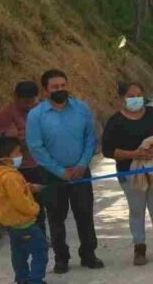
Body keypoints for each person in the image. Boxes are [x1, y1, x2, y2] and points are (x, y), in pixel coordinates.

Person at [27, 69, 102, 274]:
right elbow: (36, 147)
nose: (60, 89)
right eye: (55, 87)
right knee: (56, 218)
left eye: (63, 85)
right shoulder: (36, 115)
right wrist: (60, 171)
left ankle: (89, 254)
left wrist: (82, 164)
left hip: (80, 172)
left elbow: (90, 138)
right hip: (52, 175)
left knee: (85, 214)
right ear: (45, 90)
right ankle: (61, 258)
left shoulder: (81, 108)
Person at [102, 82, 153, 266]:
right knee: (136, 211)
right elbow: (108, 150)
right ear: (122, 98)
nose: (135, 99)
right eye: (131, 96)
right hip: (129, 173)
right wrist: (134, 154)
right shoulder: (115, 121)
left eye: (138, 95)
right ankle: (139, 247)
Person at [0, 137, 47, 284]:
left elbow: (11, 193)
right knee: (40, 249)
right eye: (17, 153)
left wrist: (28, 187)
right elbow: (20, 202)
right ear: (5, 158)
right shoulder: (10, 177)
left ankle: (22, 278)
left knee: (19, 253)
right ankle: (35, 280)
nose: (20, 155)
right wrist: (35, 208)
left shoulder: (0, 173)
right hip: (24, 222)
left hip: (12, 223)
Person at [0, 81, 46, 234]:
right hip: (18, 168)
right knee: (20, 203)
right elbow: (6, 143)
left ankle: (41, 235)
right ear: (16, 98)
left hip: (38, 164)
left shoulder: (41, 109)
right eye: (25, 102)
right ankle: (23, 235)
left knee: (39, 203)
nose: (30, 105)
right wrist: (22, 139)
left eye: (32, 101)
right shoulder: (5, 114)